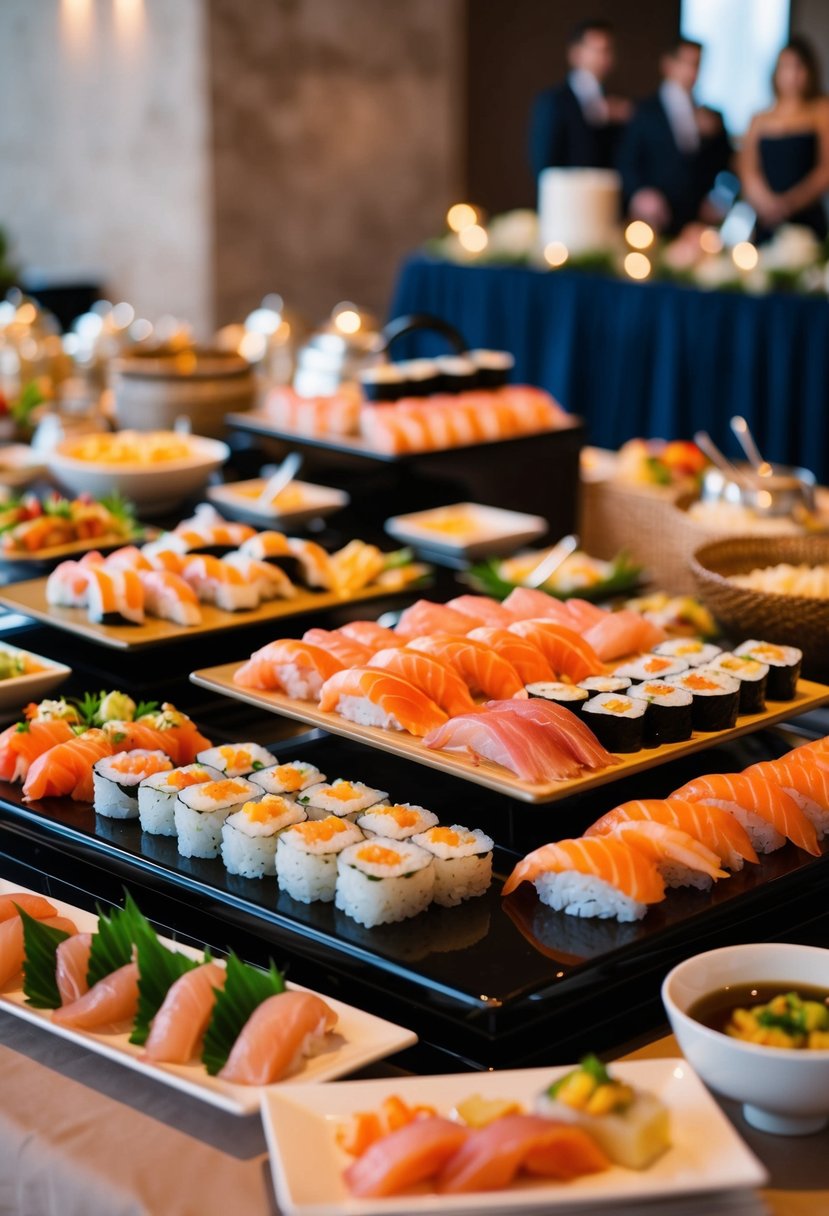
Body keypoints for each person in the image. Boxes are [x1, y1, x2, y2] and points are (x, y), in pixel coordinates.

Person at [617, 38, 732, 234]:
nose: (691, 71)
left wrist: (719, 197)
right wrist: (640, 194)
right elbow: (626, 161)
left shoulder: (711, 116)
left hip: (698, 221)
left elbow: (727, 166)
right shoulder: (644, 111)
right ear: (669, 65)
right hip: (654, 218)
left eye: (696, 64)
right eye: (686, 63)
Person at [739, 37, 829, 242]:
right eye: (785, 67)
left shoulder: (821, 111)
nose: (792, 75)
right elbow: (748, 171)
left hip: (807, 218)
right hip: (766, 219)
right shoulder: (759, 119)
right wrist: (767, 205)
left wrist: (789, 204)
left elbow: (826, 169)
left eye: (798, 67)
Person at [529, 19, 631, 180]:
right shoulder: (553, 101)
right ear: (575, 53)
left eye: (607, 50)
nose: (602, 57)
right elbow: (544, 162)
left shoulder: (619, 105)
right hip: (566, 197)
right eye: (596, 50)